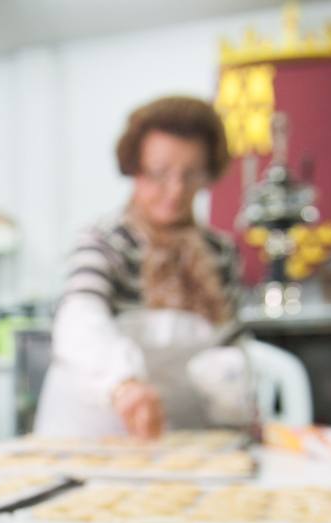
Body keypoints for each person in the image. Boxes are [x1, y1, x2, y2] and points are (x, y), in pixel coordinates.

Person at [34, 96, 243, 439]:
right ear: (135, 169)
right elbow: (80, 317)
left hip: (178, 435)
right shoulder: (107, 241)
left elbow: (230, 346)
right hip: (94, 429)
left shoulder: (219, 253)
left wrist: (234, 404)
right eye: (159, 174)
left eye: (190, 175)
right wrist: (123, 384)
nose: (175, 191)